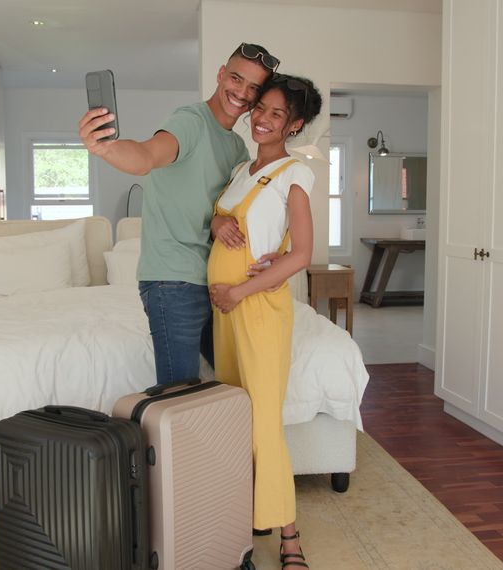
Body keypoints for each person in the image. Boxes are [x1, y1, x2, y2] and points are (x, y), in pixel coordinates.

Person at [79, 43, 280, 386]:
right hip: (173, 282)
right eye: (236, 78)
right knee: (178, 396)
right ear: (221, 75)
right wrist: (106, 147)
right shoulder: (190, 122)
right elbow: (145, 156)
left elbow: (234, 212)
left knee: (237, 382)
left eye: (253, 88)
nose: (242, 93)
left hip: (214, 282)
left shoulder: (236, 148)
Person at [208, 73, 322, 570]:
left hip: (254, 306)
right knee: (237, 416)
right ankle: (250, 515)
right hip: (227, 308)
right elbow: (220, 220)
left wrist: (240, 291)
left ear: (293, 124)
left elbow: (301, 255)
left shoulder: (295, 174)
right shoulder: (240, 169)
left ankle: (290, 536)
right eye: (261, 108)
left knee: (262, 425)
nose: (262, 118)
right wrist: (216, 222)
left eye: (277, 113)